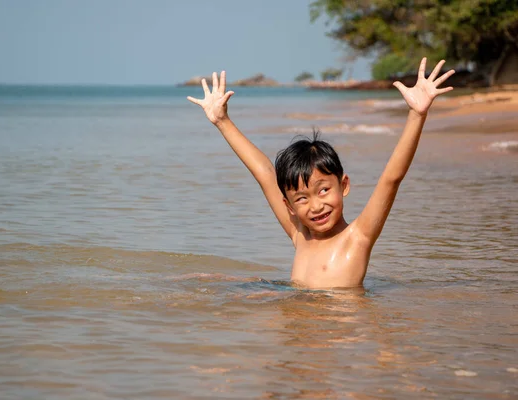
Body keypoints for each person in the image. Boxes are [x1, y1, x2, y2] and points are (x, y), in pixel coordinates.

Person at [187, 58, 455, 289]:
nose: (316, 206)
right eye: (302, 199)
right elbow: (265, 175)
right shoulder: (300, 234)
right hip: (302, 333)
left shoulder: (358, 237)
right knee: (208, 281)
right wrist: (222, 121)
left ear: (344, 184)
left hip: (339, 332)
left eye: (323, 190)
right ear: (289, 206)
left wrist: (417, 114)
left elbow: (391, 179)